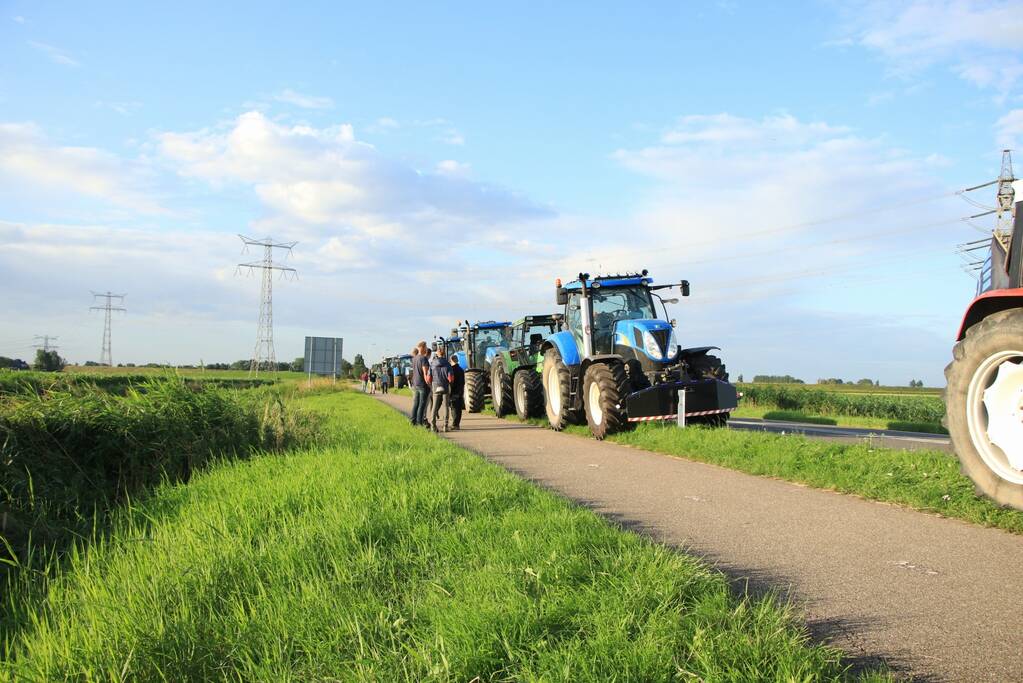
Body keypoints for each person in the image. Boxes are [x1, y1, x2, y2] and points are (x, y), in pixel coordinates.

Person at [429, 346, 454, 432]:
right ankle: (445, 426)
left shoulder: (432, 364)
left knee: (434, 407)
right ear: (444, 354)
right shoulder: (447, 364)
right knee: (446, 406)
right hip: (445, 386)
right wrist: (449, 383)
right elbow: (450, 378)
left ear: (437, 354)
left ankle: (433, 426)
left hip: (435, 386)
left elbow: (429, 378)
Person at [410, 342, 430, 426]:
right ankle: (419, 422)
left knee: (416, 404)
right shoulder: (424, 359)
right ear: (422, 347)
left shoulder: (414, 359)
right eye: (425, 347)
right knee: (422, 404)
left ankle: (413, 421)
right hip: (422, 384)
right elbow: (425, 373)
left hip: (415, 383)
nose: (426, 349)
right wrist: (428, 384)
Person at [448, 355, 465, 430]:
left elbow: (451, 381)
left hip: (453, 391)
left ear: (451, 360)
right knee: (458, 409)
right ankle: (457, 424)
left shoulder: (451, 370)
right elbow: (463, 382)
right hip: (460, 391)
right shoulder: (461, 370)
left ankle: (455, 424)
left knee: (454, 408)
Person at [421, 346, 434, 426]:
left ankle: (422, 418)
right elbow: (427, 374)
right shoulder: (425, 361)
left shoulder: (420, 360)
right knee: (426, 403)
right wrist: (429, 385)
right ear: (429, 354)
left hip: (420, 385)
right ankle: (424, 419)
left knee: (423, 403)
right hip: (426, 385)